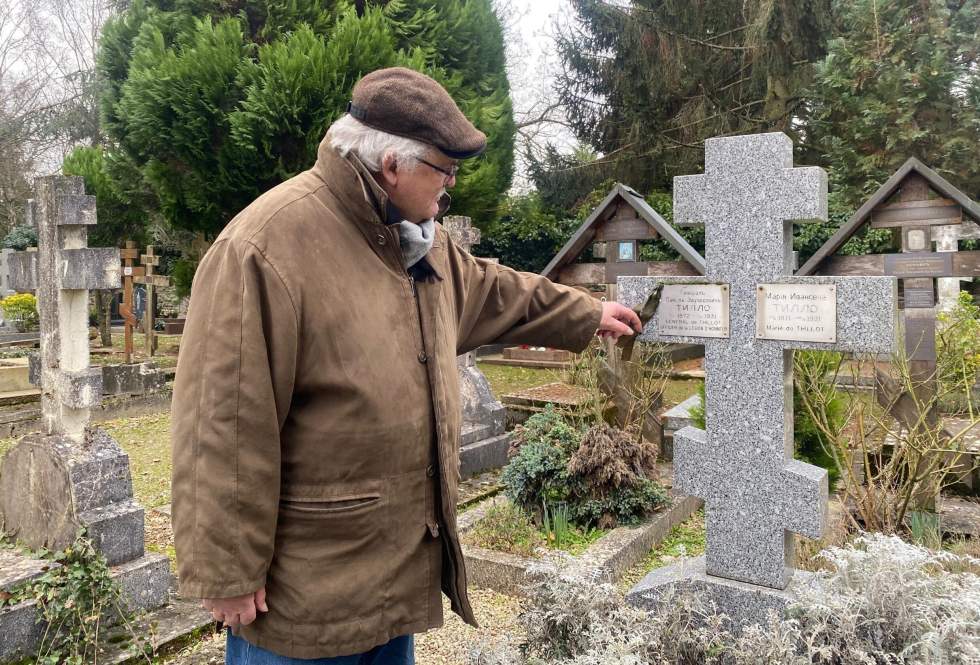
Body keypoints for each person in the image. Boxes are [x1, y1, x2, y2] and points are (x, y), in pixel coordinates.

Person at [170, 67, 642, 665]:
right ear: (392, 165)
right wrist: (227, 570)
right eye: (444, 171)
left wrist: (587, 313)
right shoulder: (265, 246)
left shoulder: (419, 237)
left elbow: (496, 293)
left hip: (393, 575)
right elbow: (222, 421)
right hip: (305, 599)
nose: (451, 189)